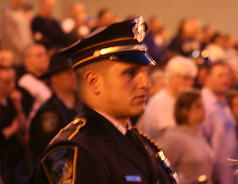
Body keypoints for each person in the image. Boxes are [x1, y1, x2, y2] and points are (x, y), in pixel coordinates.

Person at [31, 16, 179, 184]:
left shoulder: (143, 143)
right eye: (130, 73)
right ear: (94, 82)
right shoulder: (78, 152)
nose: (146, 84)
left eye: (146, 73)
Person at [156, 89, 214, 184]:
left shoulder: (199, 134)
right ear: (184, 111)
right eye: (198, 106)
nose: (204, 110)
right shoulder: (174, 138)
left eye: (203, 106)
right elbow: (159, 168)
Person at [29, 53, 78, 164]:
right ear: (54, 77)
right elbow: (52, 153)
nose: (74, 76)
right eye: (68, 72)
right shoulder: (49, 113)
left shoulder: (80, 105)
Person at [136, 55, 198, 139]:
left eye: (192, 79)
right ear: (172, 79)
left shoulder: (178, 100)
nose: (190, 83)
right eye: (185, 78)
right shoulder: (160, 102)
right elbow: (174, 137)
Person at [201, 62, 238, 184]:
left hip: (229, 173)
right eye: (220, 75)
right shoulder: (203, 105)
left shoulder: (222, 101)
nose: (225, 80)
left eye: (228, 76)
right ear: (208, 77)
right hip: (215, 175)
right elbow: (202, 141)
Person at [17, 43, 52, 141]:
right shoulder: (24, 83)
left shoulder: (47, 80)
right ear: (28, 61)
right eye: (39, 55)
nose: (45, 58)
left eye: (45, 54)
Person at [0, 66, 26, 184]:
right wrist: (13, 128)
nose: (12, 86)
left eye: (13, 81)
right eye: (7, 82)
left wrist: (18, 105)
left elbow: (23, 126)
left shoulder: (10, 101)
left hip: (15, 157)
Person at [1, 0, 33, 68]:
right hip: (16, 57)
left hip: (26, 55)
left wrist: (31, 48)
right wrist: (24, 51)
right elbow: (10, 37)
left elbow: (27, 33)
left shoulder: (22, 12)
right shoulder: (7, 13)